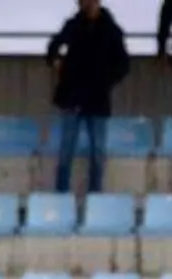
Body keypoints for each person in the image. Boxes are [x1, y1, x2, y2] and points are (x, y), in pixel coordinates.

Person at [46, 0, 131, 194]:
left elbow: (124, 64)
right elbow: (53, 47)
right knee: (66, 150)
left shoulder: (111, 30)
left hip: (97, 98)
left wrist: (106, 81)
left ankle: (95, 195)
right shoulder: (73, 25)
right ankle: (61, 194)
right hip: (72, 95)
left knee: (97, 151)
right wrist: (57, 62)